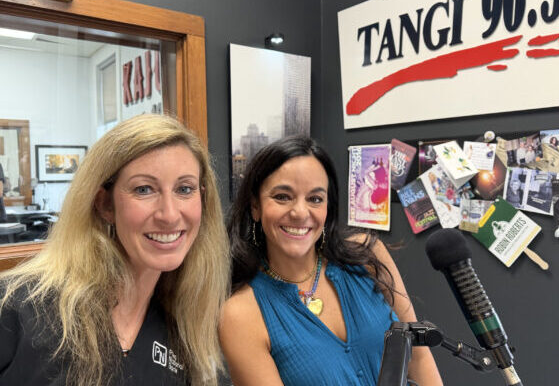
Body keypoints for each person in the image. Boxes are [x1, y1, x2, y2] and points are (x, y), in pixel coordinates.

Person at [0, 114, 229, 386]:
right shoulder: (17, 309)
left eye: (184, 189)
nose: (169, 214)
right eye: (144, 189)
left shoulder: (191, 325)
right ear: (105, 204)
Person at [220, 136, 442, 386]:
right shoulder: (240, 314)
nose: (300, 212)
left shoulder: (368, 256)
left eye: (315, 199)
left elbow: (419, 357)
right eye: (282, 196)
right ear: (255, 207)